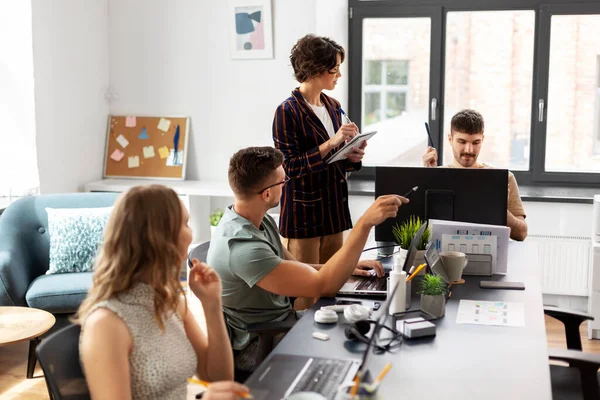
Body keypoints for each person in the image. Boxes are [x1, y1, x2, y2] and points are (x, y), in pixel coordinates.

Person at [207, 146, 408, 372]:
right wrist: (365, 223)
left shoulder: (255, 220)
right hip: (260, 341)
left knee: (364, 324)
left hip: (282, 321)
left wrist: (348, 265)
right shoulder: (243, 247)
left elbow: (295, 267)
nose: (286, 185)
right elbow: (322, 286)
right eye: (283, 182)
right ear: (266, 194)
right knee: (357, 345)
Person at [75, 185, 248, 400]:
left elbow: (217, 377)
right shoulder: (106, 324)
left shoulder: (169, 299)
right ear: (159, 238)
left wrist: (211, 304)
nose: (191, 232)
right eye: (185, 223)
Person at [272, 34, 368, 268]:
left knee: (332, 286)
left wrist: (352, 155)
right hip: (304, 218)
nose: (339, 75)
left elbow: (333, 161)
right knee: (305, 295)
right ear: (315, 69)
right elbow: (289, 168)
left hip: (334, 212)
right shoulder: (287, 111)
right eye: (335, 69)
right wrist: (331, 143)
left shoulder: (333, 106)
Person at [422, 109, 528, 241]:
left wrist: (498, 208)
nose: (469, 150)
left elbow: (521, 234)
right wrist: (428, 177)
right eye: (462, 142)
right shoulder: (435, 175)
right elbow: (418, 232)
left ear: (482, 139)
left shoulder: (505, 178)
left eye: (475, 142)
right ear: (450, 139)